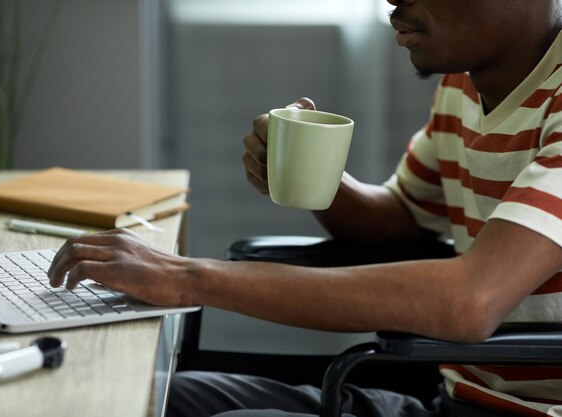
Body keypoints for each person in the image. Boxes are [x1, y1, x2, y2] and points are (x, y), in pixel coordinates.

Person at [47, 0, 562, 415]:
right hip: (451, 401)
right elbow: (398, 218)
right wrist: (316, 180)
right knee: (154, 399)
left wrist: (188, 278)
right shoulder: (464, 84)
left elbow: (469, 302)